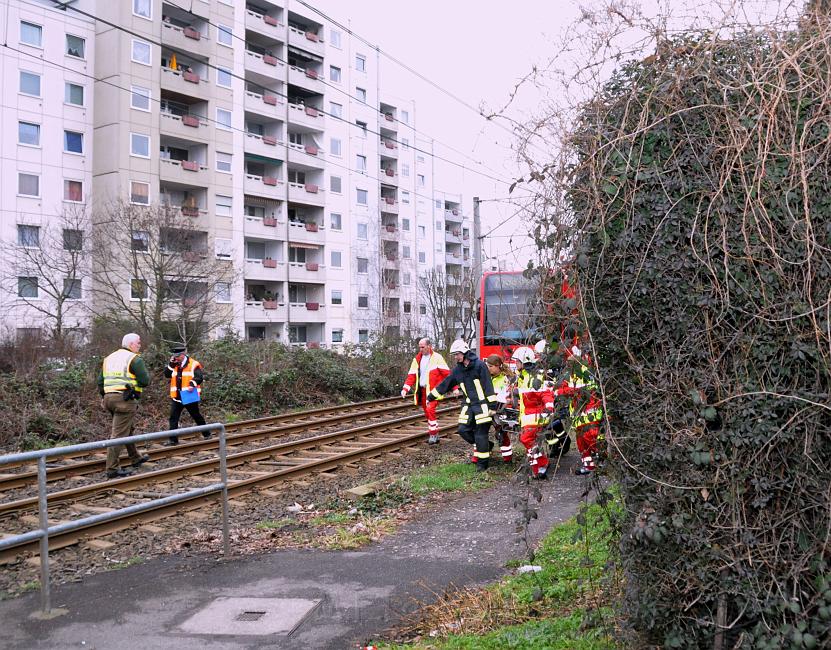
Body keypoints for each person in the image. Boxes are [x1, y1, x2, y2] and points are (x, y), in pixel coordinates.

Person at [428, 340, 496, 471]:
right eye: (454, 355)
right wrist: (431, 396)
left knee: (480, 434)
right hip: (469, 406)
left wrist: (492, 406)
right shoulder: (458, 370)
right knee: (463, 430)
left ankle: (483, 464)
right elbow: (446, 383)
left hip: (483, 406)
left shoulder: (480, 366)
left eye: (457, 354)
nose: (455, 357)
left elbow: (488, 385)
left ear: (465, 353)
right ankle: (487, 446)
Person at [98, 333, 150, 479]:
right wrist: (134, 386)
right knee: (118, 435)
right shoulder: (134, 359)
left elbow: (100, 381)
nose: (140, 345)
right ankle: (112, 468)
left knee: (128, 428)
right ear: (131, 344)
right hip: (124, 400)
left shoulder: (109, 358)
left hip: (109, 398)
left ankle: (135, 457)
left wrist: (105, 396)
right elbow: (145, 380)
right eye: (138, 342)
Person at [554, 341, 604, 475]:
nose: (568, 365)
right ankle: (588, 465)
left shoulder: (587, 372)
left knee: (591, 438)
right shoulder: (570, 375)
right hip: (578, 415)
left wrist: (563, 391)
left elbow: (581, 390)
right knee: (581, 442)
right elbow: (561, 388)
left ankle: (601, 462)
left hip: (590, 412)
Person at [512, 346, 558, 480]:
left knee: (526, 439)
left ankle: (541, 464)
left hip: (536, 416)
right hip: (529, 416)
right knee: (531, 442)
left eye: (517, 362)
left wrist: (549, 407)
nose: (515, 364)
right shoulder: (523, 377)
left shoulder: (535, 377)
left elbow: (545, 394)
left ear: (524, 361)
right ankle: (538, 467)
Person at [400, 337, 450, 444]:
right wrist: (405, 388)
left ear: (429, 346)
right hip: (422, 391)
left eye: (422, 347)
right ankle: (435, 433)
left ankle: (432, 435)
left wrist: (454, 387)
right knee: (427, 413)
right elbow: (412, 375)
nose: (420, 349)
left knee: (430, 409)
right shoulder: (417, 359)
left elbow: (447, 374)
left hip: (434, 391)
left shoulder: (437, 357)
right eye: (419, 347)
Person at [164, 344, 207, 445]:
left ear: (183, 355)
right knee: (173, 418)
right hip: (177, 397)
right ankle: (173, 440)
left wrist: (192, 384)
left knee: (196, 416)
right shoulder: (174, 364)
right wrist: (171, 364)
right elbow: (167, 374)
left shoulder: (193, 364)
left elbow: (199, 377)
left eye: (177, 356)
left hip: (188, 396)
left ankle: (207, 434)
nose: (176, 358)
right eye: (174, 356)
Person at [485, 354, 514, 464]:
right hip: (487, 410)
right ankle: (485, 449)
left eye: (490, 366)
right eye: (487, 366)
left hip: (499, 411)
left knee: (501, 435)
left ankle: (508, 459)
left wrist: (496, 411)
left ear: (498, 366)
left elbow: (505, 399)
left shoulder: (505, 379)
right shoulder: (488, 378)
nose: (488, 368)